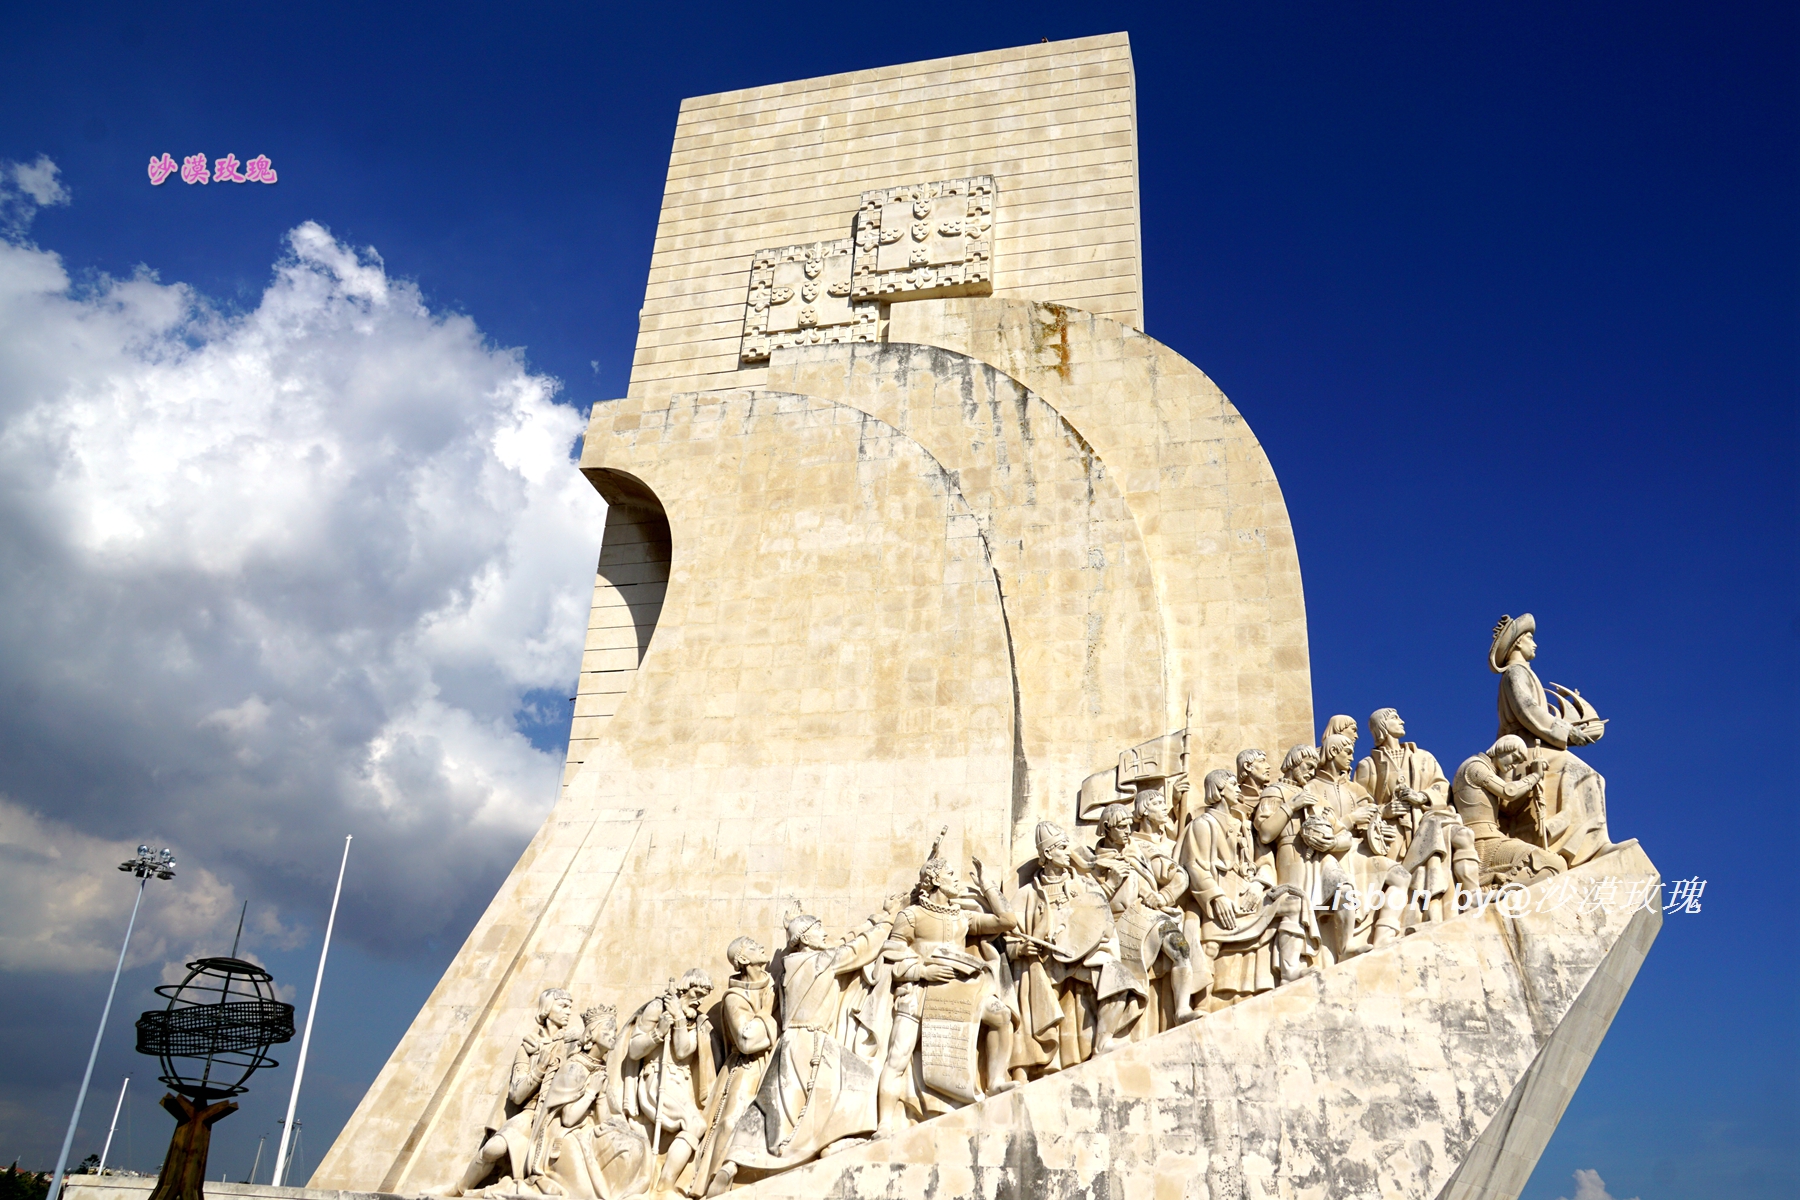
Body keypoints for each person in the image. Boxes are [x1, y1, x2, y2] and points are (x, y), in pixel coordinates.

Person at [705, 901, 902, 1194]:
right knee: (860, 1080)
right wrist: (888, 921)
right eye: (819, 929)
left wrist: (793, 924)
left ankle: (730, 1164)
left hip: (788, 1043)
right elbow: (860, 949)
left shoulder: (788, 969)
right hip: (814, 1041)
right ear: (807, 938)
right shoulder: (823, 962)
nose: (825, 934)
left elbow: (831, 944)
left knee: (770, 1107)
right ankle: (831, 1142)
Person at [877, 838, 1019, 1136]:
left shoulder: (961, 917)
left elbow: (1007, 921)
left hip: (958, 991)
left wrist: (987, 886)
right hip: (919, 992)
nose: (957, 880)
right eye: (951, 875)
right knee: (898, 1055)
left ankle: (993, 1082)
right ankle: (884, 1124)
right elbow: (890, 957)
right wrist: (923, 970)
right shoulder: (911, 916)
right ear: (936, 881)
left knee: (1001, 1016)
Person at [1489, 614, 1615, 866]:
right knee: (1580, 772)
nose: (1534, 645)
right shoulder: (1515, 673)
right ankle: (1577, 846)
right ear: (1517, 644)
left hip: (1539, 743)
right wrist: (1565, 731)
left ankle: (1592, 842)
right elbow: (1528, 710)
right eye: (1529, 639)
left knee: (1591, 776)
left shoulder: (1524, 672)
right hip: (1524, 749)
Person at [1008, 821, 1133, 1073]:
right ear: (1046, 854)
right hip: (1047, 964)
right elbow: (1010, 939)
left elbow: (1102, 921)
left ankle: (1103, 1042)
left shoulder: (1084, 885)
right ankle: (1028, 1065)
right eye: (1062, 847)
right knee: (1028, 982)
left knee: (1118, 977)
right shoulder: (1026, 895)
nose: (1068, 852)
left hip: (1083, 958)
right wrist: (1021, 950)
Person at [1179, 770, 1309, 1004]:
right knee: (1209, 948)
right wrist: (1216, 898)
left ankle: (1290, 972)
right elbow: (1194, 866)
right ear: (1219, 790)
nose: (1238, 788)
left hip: (1249, 895)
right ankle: (1199, 1005)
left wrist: (1259, 884)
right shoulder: (1203, 824)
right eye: (1232, 785)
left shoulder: (1246, 827)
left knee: (1293, 904)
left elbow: (1265, 861)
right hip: (1220, 899)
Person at [449, 988, 577, 1195]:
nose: (568, 1011)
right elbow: (517, 1094)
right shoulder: (528, 1047)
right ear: (547, 1009)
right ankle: (461, 1188)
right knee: (493, 1149)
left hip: (559, 1113)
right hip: (531, 1110)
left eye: (570, 1007)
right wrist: (540, 1068)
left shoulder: (572, 1041)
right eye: (563, 1006)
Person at [1090, 800, 1203, 1036]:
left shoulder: (1137, 852)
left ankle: (1181, 1010)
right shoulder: (1095, 862)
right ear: (1107, 828)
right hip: (1120, 924)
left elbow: (1172, 876)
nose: (1127, 831)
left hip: (1148, 916)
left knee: (1181, 949)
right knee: (1125, 979)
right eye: (1121, 827)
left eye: (1129, 825)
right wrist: (1110, 884)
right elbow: (1091, 903)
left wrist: (1161, 895)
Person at [526, 1006, 651, 1200]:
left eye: (614, 1031)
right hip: (563, 1138)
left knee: (635, 1144)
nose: (613, 1035)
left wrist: (615, 1122)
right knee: (587, 1196)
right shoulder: (575, 1068)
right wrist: (592, 1091)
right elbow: (568, 1119)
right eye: (608, 1030)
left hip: (587, 1132)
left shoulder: (599, 1069)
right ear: (592, 1034)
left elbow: (603, 1119)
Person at [610, 970, 715, 1193]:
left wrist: (678, 1019)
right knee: (695, 1124)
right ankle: (664, 1185)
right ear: (684, 989)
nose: (699, 1001)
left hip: (681, 1082)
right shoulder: (658, 1008)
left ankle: (663, 1182)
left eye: (704, 996)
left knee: (697, 1125)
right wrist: (658, 1032)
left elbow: (683, 1049)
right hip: (657, 1079)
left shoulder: (696, 1022)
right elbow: (635, 1050)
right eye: (696, 993)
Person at [689, 939, 777, 1196]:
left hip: (774, 1060)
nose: (760, 947)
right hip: (746, 1066)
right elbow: (747, 1039)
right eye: (752, 945)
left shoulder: (773, 985)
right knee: (731, 1120)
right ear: (743, 960)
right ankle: (717, 1176)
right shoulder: (734, 998)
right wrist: (768, 1012)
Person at [1451, 735, 1565, 886]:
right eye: (1515, 758)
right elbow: (1508, 792)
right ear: (1503, 748)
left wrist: (1509, 774)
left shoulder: (1488, 770)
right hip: (1483, 841)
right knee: (1553, 864)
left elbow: (1506, 806)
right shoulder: (1475, 766)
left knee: (1555, 865)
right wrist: (1535, 775)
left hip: (1491, 837)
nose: (1514, 765)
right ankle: (1495, 892)